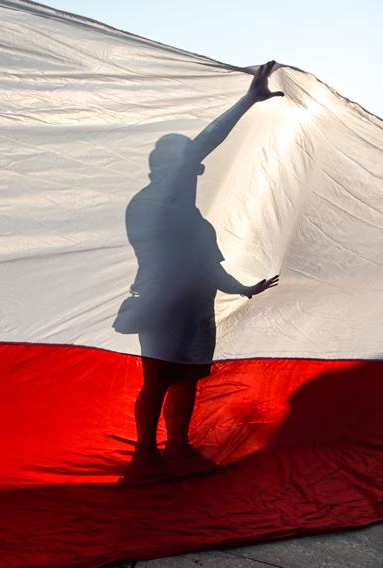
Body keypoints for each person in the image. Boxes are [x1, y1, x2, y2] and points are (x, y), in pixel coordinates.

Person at [118, 61, 283, 471]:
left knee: (186, 378)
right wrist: (248, 100)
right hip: (164, 305)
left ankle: (176, 445)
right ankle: (145, 452)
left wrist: (244, 288)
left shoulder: (192, 220)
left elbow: (209, 268)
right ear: (166, 169)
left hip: (193, 308)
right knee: (159, 380)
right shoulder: (154, 203)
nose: (195, 171)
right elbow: (203, 143)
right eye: (189, 164)